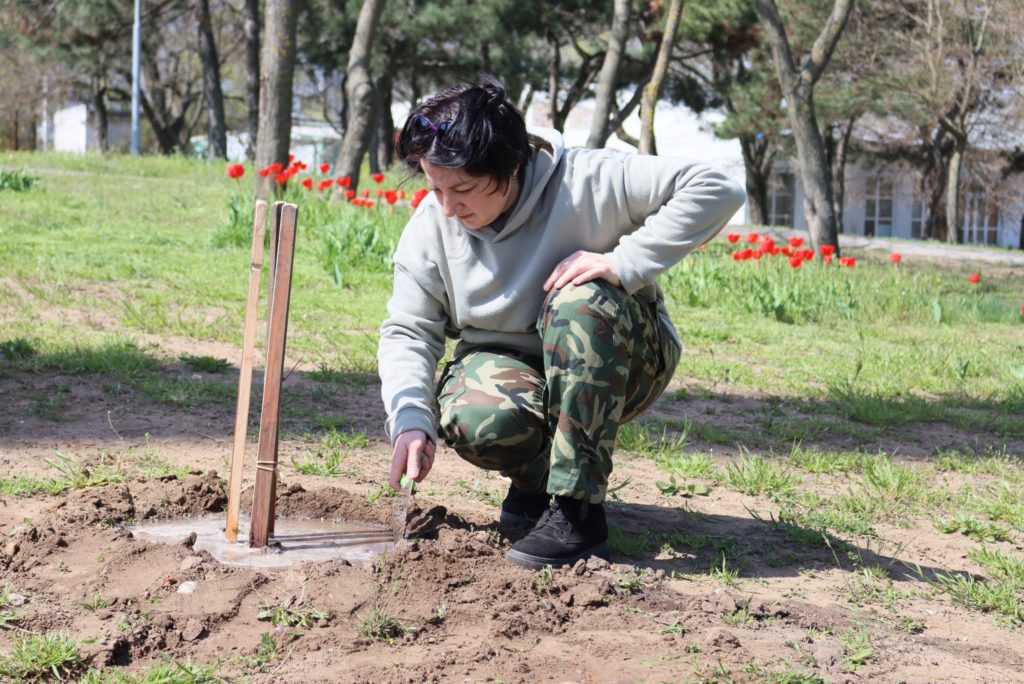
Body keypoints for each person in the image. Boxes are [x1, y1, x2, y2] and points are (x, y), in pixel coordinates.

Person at [378, 77, 745, 569]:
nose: (448, 206)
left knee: (580, 300)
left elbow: (718, 187)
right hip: (513, 366)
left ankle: (578, 513)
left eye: (462, 189)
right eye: (435, 187)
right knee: (472, 416)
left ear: (510, 165)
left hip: (618, 356)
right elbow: (409, 331)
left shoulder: (590, 180)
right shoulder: (432, 224)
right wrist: (409, 420)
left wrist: (625, 262)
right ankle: (538, 483)